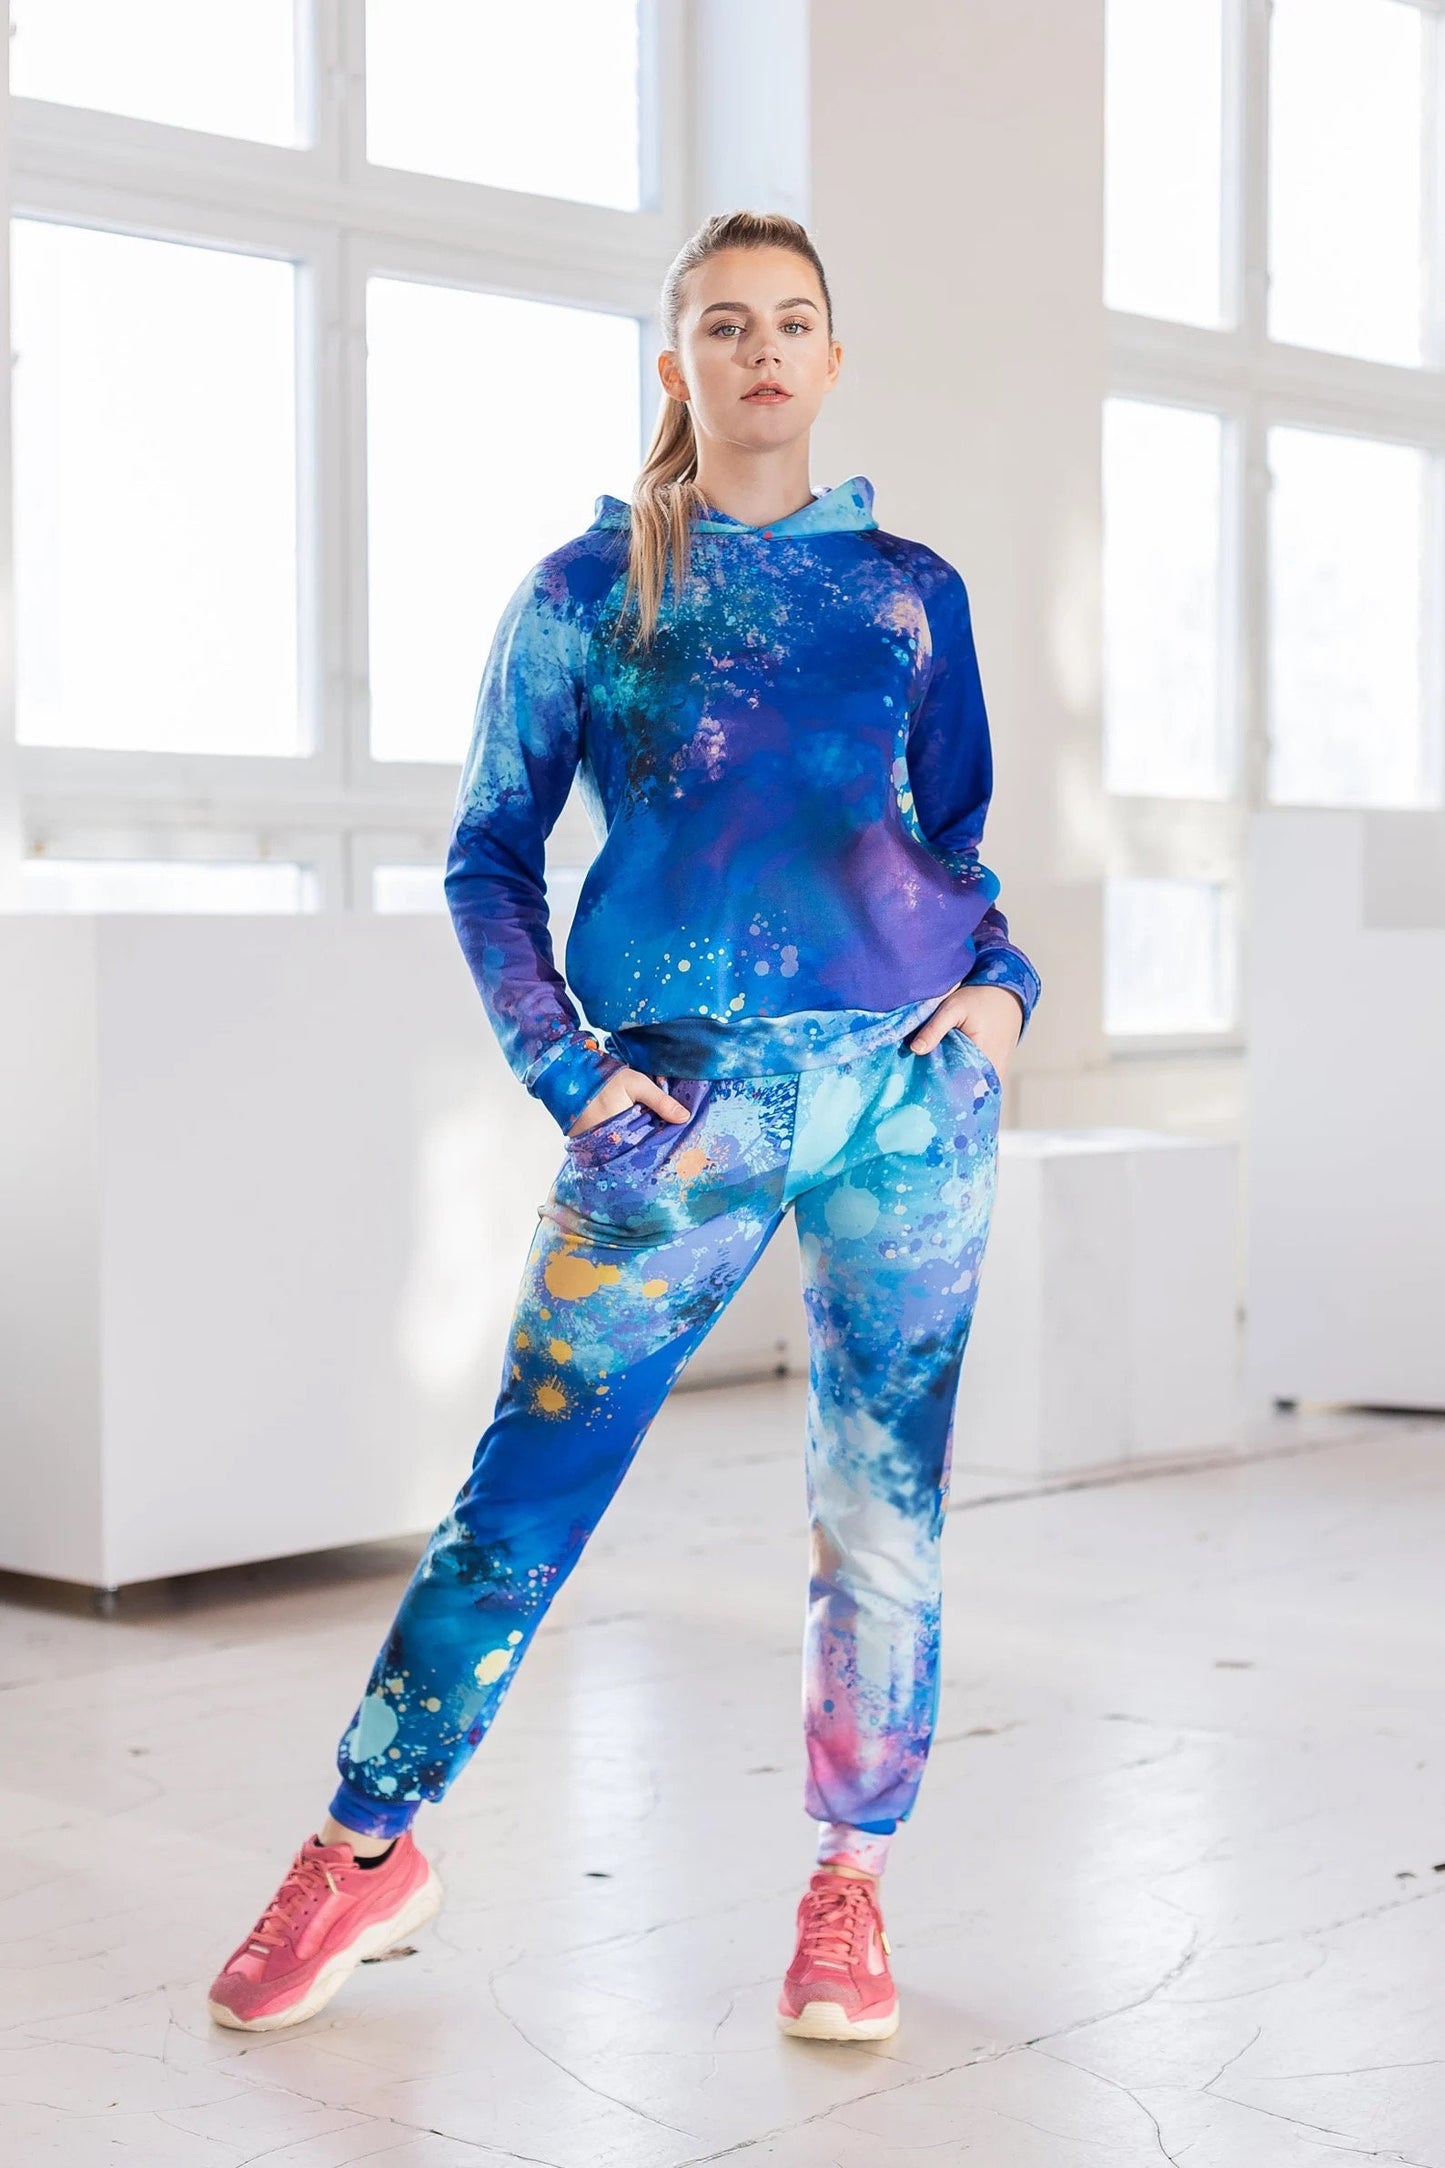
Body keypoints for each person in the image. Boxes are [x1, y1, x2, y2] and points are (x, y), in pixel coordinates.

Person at [207, 208, 1040, 2044]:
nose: (762, 349)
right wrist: (568, 1070)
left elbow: (953, 836)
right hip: (677, 1109)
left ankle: (848, 1882)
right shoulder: (590, 591)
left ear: (832, 360)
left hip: (906, 1102)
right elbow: (486, 856)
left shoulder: (909, 591)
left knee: (879, 1503)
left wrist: (999, 996)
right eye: (726, 324)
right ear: (677, 365)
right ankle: (365, 1846)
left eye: (793, 321)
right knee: (525, 1492)